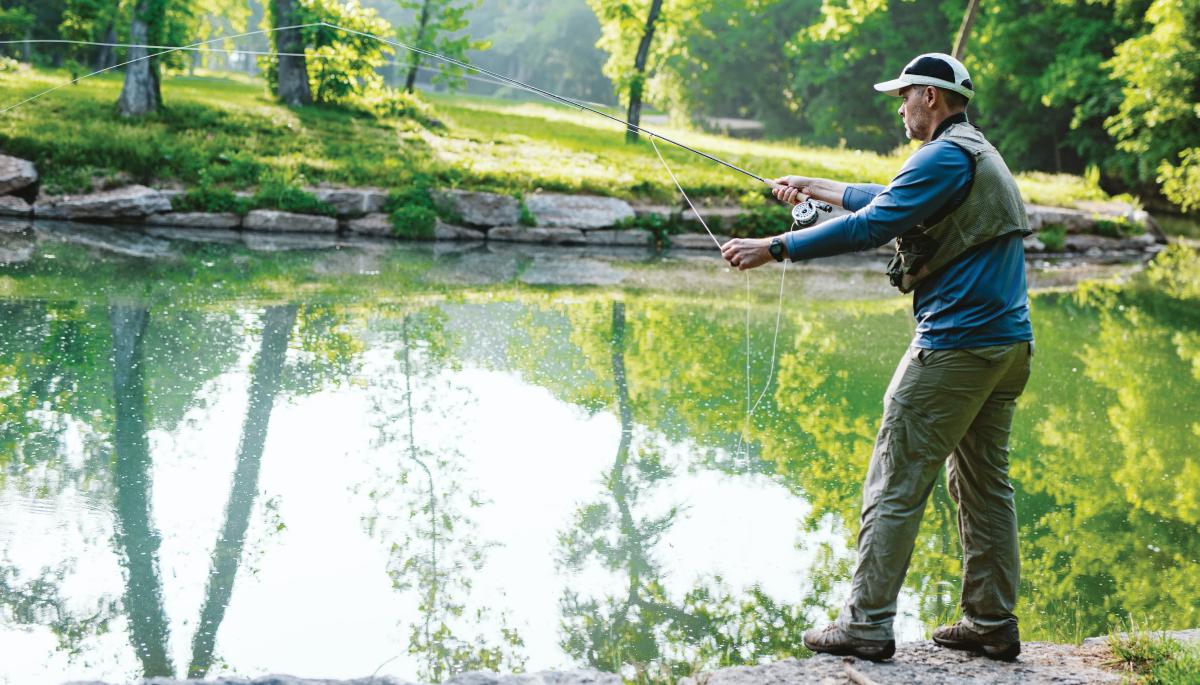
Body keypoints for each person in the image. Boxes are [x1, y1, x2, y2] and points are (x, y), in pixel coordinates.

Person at [721, 53, 1034, 662]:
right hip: (1006, 344)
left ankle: (865, 624)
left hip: (956, 345)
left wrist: (775, 246)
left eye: (905, 96)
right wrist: (817, 188)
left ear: (931, 99)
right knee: (982, 483)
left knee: (895, 477)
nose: (900, 107)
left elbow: (874, 224)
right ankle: (991, 621)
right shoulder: (971, 151)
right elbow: (888, 199)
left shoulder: (945, 155)